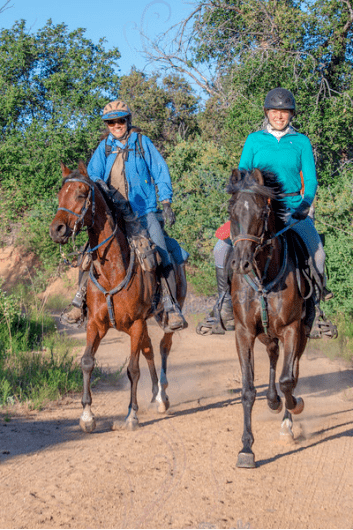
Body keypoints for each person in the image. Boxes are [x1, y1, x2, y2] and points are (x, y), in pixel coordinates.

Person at [198, 87, 336, 339]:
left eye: (284, 112)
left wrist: (305, 204)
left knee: (318, 254)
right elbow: (241, 175)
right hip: (254, 211)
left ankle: (315, 312)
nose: (279, 116)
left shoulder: (301, 142)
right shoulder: (254, 140)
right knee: (220, 249)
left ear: (291, 114)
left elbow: (312, 180)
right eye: (274, 111)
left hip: (291, 210)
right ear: (267, 113)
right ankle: (222, 305)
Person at [63, 100, 188, 332]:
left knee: (160, 252)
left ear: (127, 121)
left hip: (144, 211)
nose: (116, 125)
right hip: (114, 214)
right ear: (107, 125)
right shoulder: (104, 148)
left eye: (120, 120)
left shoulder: (142, 142)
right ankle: (79, 300)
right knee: (87, 255)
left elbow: (160, 170)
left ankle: (171, 307)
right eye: (111, 122)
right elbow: (92, 178)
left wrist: (166, 201)